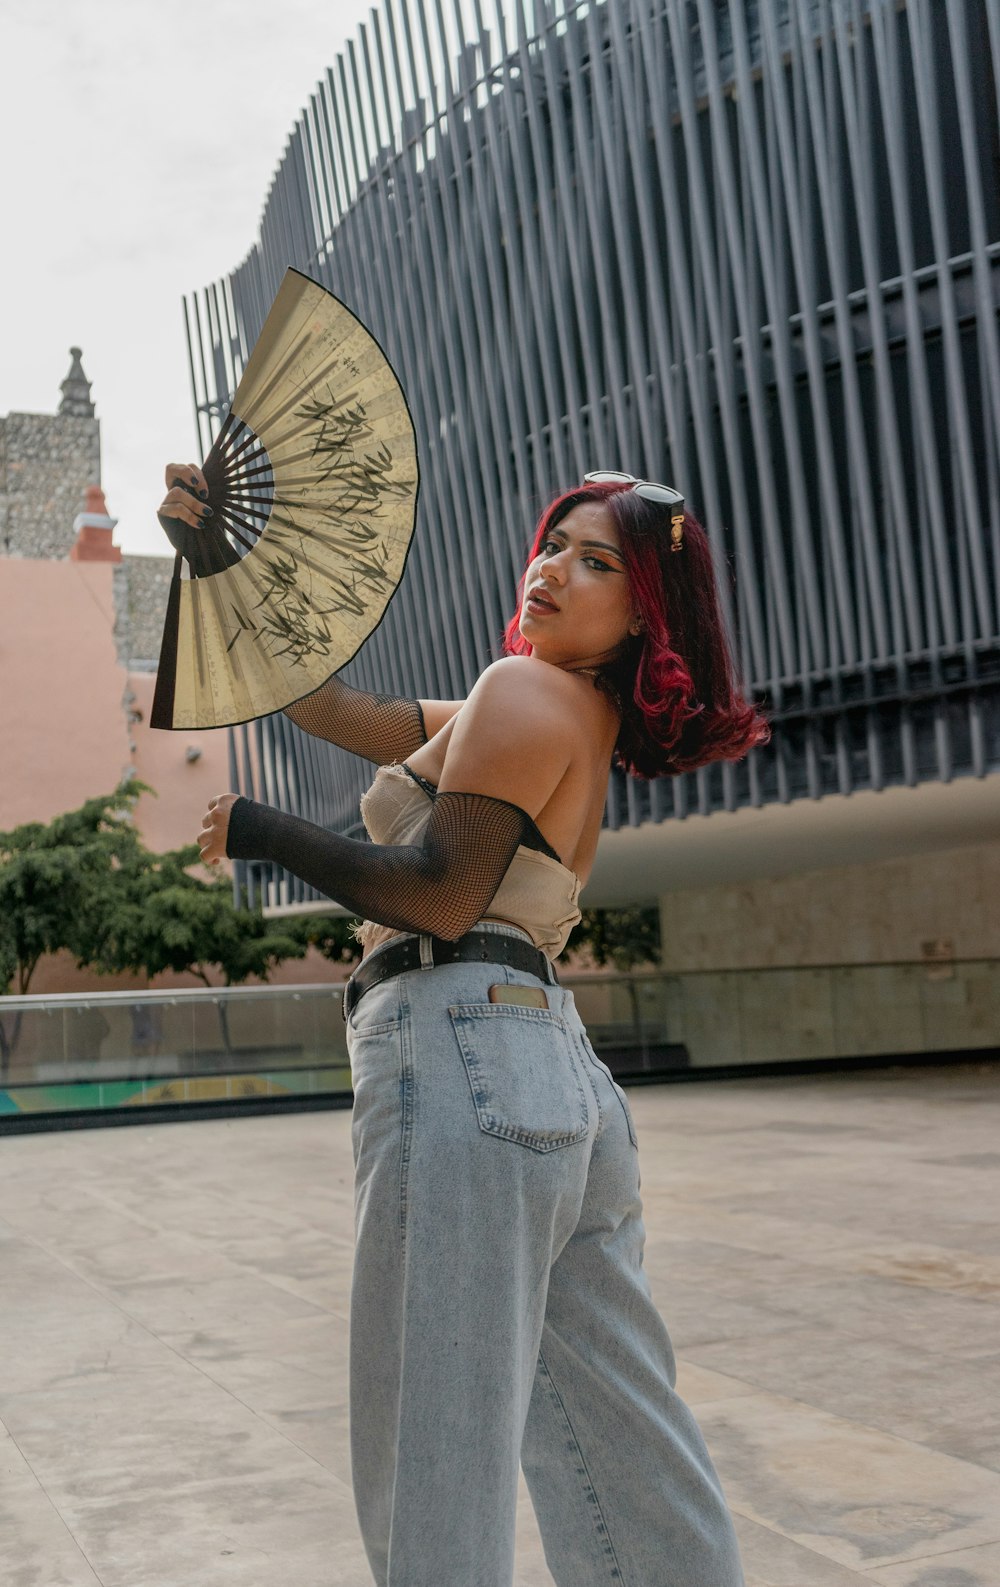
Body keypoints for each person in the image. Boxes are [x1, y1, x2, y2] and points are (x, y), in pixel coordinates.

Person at [159, 460, 768, 1587]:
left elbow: (438, 890)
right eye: (554, 546)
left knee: (435, 1441)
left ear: (646, 615)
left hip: (465, 1048)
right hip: (549, 1076)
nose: (554, 570)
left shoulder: (527, 694)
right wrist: (217, 563)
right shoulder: (547, 698)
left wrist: (260, 828)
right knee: (615, 1430)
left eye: (599, 563)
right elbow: (336, 709)